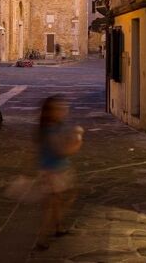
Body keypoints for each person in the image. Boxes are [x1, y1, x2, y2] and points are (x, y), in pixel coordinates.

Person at [35, 95, 84, 251]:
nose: (63, 111)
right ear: (50, 112)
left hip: (55, 170)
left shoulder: (52, 127)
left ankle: (58, 227)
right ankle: (42, 237)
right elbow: (62, 151)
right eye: (59, 109)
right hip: (53, 173)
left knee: (56, 202)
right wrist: (78, 141)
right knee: (55, 203)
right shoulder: (50, 130)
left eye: (64, 108)